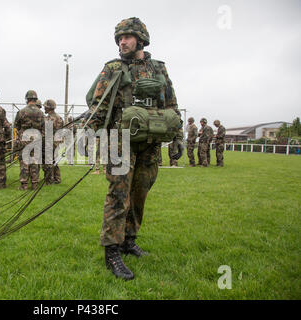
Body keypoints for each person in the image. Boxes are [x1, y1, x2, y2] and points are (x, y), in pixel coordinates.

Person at [86, 17, 181, 280]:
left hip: (150, 145)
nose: (122, 42)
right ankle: (112, 251)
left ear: (140, 39)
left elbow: (171, 104)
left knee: (140, 195)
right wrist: (90, 134)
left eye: (127, 37)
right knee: (118, 196)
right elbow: (99, 105)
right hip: (120, 143)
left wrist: (179, 137)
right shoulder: (113, 68)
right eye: (119, 38)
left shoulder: (158, 69)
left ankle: (129, 241)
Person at [14, 90, 45, 190]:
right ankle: (35, 184)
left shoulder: (21, 112)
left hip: (24, 138)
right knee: (35, 162)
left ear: (27, 99)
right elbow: (44, 127)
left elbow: (17, 126)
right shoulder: (41, 113)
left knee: (24, 162)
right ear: (35, 99)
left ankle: (24, 185)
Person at [43, 99, 64, 184]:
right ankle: (57, 179)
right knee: (54, 161)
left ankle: (49, 180)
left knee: (48, 162)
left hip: (50, 142)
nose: (44, 108)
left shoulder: (49, 118)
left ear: (49, 107)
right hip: (56, 142)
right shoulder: (59, 117)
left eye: (45, 107)